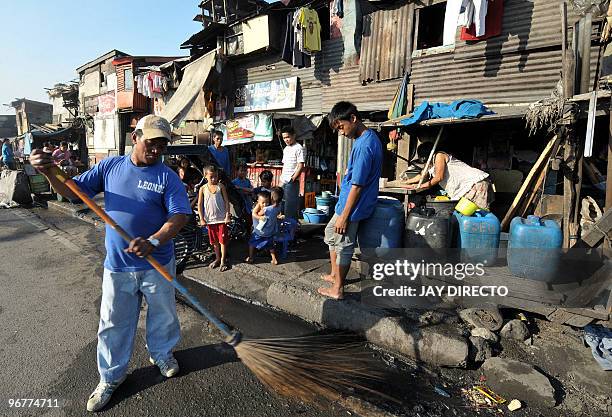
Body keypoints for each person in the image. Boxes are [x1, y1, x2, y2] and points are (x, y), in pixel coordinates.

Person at [29, 114, 191, 412]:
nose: (156, 150)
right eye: (151, 143)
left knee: (163, 315)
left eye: (162, 146)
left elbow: (178, 216)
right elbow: (74, 191)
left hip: (158, 263)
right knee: (113, 323)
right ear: (136, 138)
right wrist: (50, 172)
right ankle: (111, 377)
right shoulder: (111, 167)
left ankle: (162, 353)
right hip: (118, 265)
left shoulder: (167, 177)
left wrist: (153, 240)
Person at [318, 102, 382, 300]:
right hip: (346, 202)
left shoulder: (365, 145)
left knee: (344, 245)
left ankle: (338, 289)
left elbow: (358, 185)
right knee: (330, 233)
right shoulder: (364, 139)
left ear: (353, 119)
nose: (342, 133)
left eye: (341, 127)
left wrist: (345, 216)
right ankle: (335, 274)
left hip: (353, 207)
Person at [403, 142, 494, 210]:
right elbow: (422, 175)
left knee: (478, 214)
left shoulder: (439, 156)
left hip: (476, 183)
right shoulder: (430, 163)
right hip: (469, 187)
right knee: (467, 213)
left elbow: (439, 177)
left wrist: (420, 186)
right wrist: (406, 182)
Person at [197, 165, 231, 272]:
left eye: (215, 176)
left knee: (222, 242)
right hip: (210, 221)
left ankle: (223, 261)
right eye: (211, 177)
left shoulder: (221, 186)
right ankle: (217, 258)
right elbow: (199, 205)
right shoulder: (202, 188)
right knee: (215, 242)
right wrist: (202, 218)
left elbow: (226, 202)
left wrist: (227, 215)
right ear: (205, 176)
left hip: (221, 220)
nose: (214, 179)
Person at [245, 187, 283, 265]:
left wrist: (259, 210)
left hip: (260, 232)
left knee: (251, 243)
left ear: (271, 198)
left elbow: (256, 214)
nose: (265, 204)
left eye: (266, 202)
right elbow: (276, 214)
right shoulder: (279, 206)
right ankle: (274, 259)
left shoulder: (266, 209)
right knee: (271, 246)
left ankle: (251, 257)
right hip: (270, 232)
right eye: (263, 203)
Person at [279, 126, 305, 220]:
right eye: (284, 138)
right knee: (281, 204)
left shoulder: (299, 148)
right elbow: (285, 165)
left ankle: (291, 229)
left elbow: (300, 166)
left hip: (291, 182)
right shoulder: (286, 149)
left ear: (294, 135)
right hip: (283, 181)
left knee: (290, 208)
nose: (286, 139)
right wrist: (281, 181)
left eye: (288, 137)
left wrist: (293, 179)